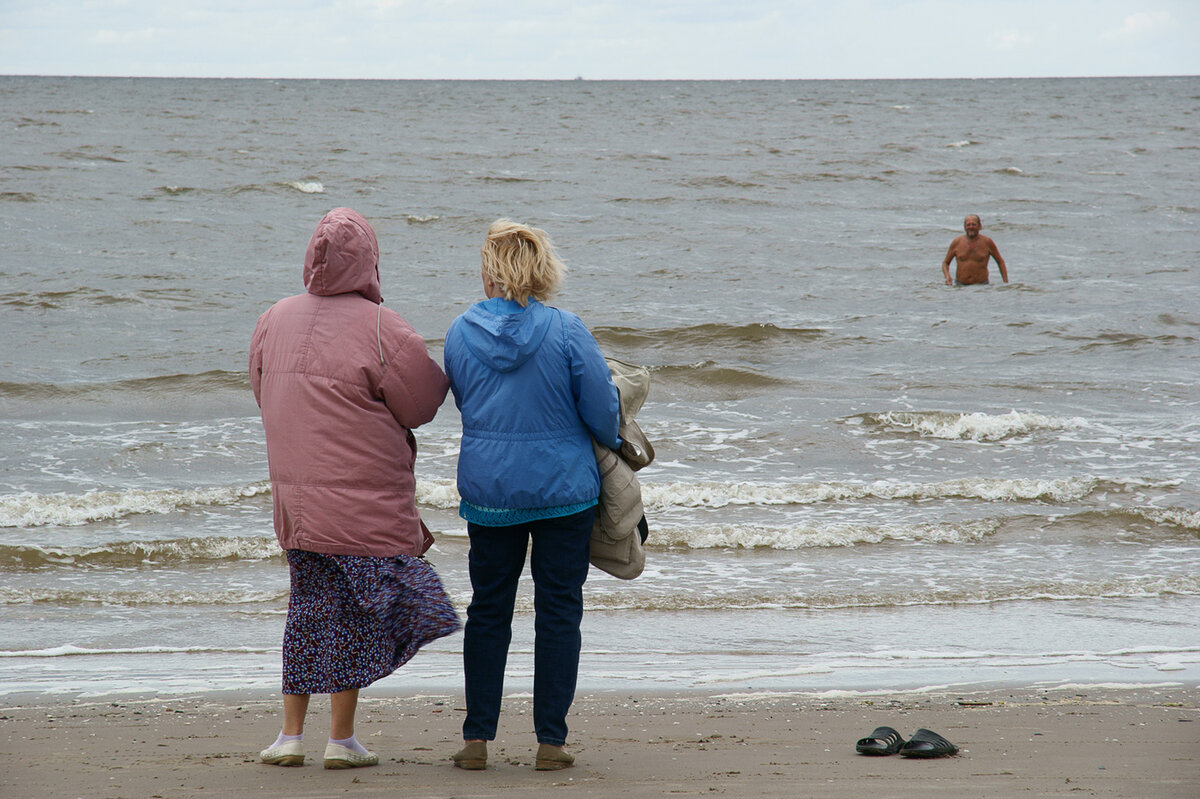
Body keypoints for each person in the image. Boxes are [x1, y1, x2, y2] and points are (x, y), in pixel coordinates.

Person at [249, 207, 459, 770]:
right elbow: (421, 405)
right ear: (368, 261)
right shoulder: (381, 326)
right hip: (363, 505)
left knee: (309, 608)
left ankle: (291, 735)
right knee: (370, 612)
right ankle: (340, 739)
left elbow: (261, 389)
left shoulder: (273, 318)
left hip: (297, 504)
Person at [443, 219, 620, 772]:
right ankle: (551, 741)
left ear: (489, 270)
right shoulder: (567, 330)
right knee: (559, 610)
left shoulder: (458, 332)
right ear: (543, 270)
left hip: (490, 492)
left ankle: (477, 738)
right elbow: (602, 413)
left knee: (489, 609)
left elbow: (467, 402)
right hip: (563, 492)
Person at [941, 214, 1009, 285]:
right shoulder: (957, 242)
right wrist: (947, 276)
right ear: (964, 227)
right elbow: (945, 263)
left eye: (973, 224)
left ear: (980, 226)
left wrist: (1005, 282)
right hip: (960, 286)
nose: (971, 227)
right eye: (968, 225)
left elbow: (1000, 262)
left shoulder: (987, 242)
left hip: (982, 286)